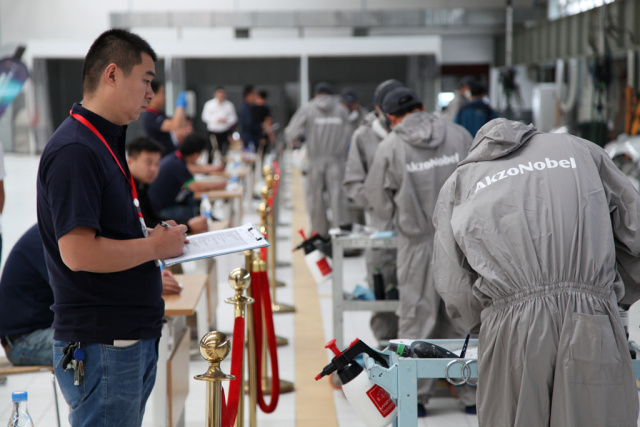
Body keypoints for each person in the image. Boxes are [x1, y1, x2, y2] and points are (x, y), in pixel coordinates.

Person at [432, 118, 640, 426]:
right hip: (591, 318)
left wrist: (485, 322)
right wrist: (611, 297)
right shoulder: (582, 151)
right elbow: (634, 229)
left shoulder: (460, 182)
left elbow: (454, 285)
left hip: (512, 329)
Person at [36, 29, 188, 426]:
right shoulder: (76, 150)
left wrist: (155, 239)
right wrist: (154, 248)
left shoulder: (103, 141)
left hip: (125, 336)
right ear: (113, 74)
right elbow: (78, 252)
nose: (151, 94)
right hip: (103, 341)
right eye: (146, 80)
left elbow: (112, 232)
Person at [364, 86, 476, 415]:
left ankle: (416, 397)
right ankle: (471, 392)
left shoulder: (390, 146)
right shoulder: (459, 135)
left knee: (417, 316)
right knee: (464, 313)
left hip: (416, 243)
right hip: (461, 240)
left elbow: (378, 201)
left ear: (390, 117)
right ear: (423, 106)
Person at [0, 225, 183, 368]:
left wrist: (149, 274)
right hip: (24, 340)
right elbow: (81, 288)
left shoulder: (66, 231)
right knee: (105, 342)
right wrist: (142, 282)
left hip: (45, 326)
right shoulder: (55, 241)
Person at [343, 79, 403, 341]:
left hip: (421, 228)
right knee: (383, 292)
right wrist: (381, 205)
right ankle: (385, 349)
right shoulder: (364, 137)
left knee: (421, 298)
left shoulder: (415, 135)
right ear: (379, 109)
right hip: (382, 228)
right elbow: (353, 182)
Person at [285, 82, 351, 238]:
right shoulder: (342, 110)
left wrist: (298, 142)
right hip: (337, 161)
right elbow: (350, 134)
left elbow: (291, 133)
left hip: (315, 160)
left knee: (315, 200)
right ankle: (341, 236)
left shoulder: (309, 109)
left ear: (316, 94)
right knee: (338, 199)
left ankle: (319, 235)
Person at [127, 136, 208, 234]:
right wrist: (188, 226)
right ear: (130, 162)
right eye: (148, 163)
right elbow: (145, 227)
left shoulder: (142, 186)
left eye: (157, 164)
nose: (153, 169)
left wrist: (187, 224)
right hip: (164, 209)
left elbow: (154, 219)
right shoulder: (125, 190)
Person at [148, 132, 227, 220]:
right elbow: (196, 186)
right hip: (161, 210)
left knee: (192, 200)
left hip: (163, 204)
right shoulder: (178, 164)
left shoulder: (176, 157)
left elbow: (195, 167)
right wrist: (217, 185)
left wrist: (215, 168)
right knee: (194, 213)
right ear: (196, 154)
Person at [141, 80, 187, 157]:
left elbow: (179, 125)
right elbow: (174, 125)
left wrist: (182, 110)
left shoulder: (159, 113)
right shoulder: (150, 116)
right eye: (162, 93)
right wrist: (180, 107)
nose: (165, 97)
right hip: (161, 158)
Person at [201, 86, 237, 161]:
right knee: (211, 150)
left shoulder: (229, 105)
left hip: (224, 132)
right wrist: (216, 119)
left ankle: (222, 165)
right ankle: (209, 165)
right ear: (215, 94)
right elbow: (204, 117)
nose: (221, 95)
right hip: (212, 131)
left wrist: (226, 120)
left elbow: (234, 118)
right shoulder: (209, 104)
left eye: (223, 93)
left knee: (224, 151)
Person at [238, 84, 262, 151]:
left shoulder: (250, 107)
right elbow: (249, 124)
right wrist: (261, 127)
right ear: (249, 95)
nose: (256, 97)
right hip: (249, 139)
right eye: (254, 94)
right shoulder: (245, 109)